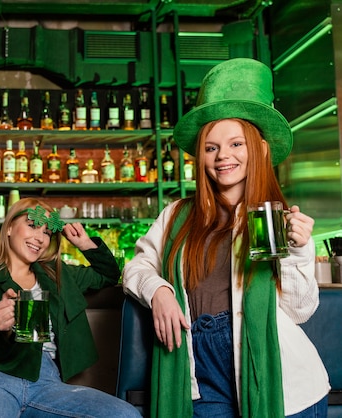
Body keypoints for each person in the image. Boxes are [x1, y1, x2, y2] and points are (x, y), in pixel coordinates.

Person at [122, 58, 330, 418]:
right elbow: (136, 267)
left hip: (280, 380)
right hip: (201, 372)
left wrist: (299, 251)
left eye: (236, 143)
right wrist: (158, 291)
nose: (223, 157)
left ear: (260, 149)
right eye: (211, 147)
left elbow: (299, 310)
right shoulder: (177, 216)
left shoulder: (274, 217)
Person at [0, 198, 141, 418]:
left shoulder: (58, 274)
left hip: (46, 381)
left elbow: (108, 275)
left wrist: (84, 244)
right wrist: (1, 330)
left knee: (126, 415)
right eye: (32, 226)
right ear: (10, 227)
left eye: (48, 232)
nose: (40, 238)